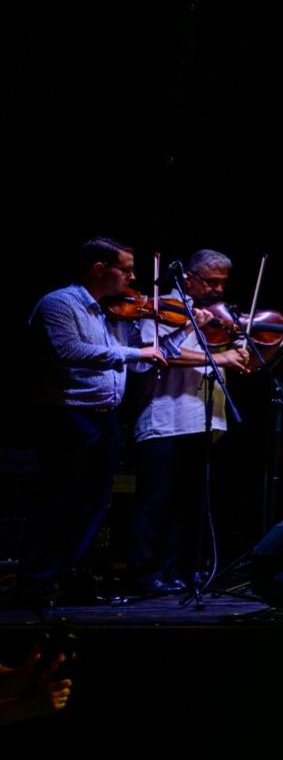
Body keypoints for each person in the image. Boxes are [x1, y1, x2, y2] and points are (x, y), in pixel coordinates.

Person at [18, 237, 166, 607]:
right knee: (60, 500)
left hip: (105, 417)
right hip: (68, 414)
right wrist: (135, 351)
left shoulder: (108, 311)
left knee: (95, 504)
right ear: (100, 269)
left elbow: (133, 361)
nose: (133, 277)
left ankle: (73, 579)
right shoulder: (58, 303)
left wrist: (160, 334)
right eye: (126, 269)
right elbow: (70, 351)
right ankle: (37, 583)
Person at [125, 248, 257, 597]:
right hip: (165, 418)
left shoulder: (221, 316)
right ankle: (145, 573)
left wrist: (254, 347)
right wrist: (219, 356)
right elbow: (156, 353)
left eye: (223, 283)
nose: (218, 289)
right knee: (156, 501)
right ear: (189, 278)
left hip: (204, 418)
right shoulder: (160, 306)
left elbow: (240, 361)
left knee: (188, 503)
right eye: (211, 282)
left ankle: (176, 570)